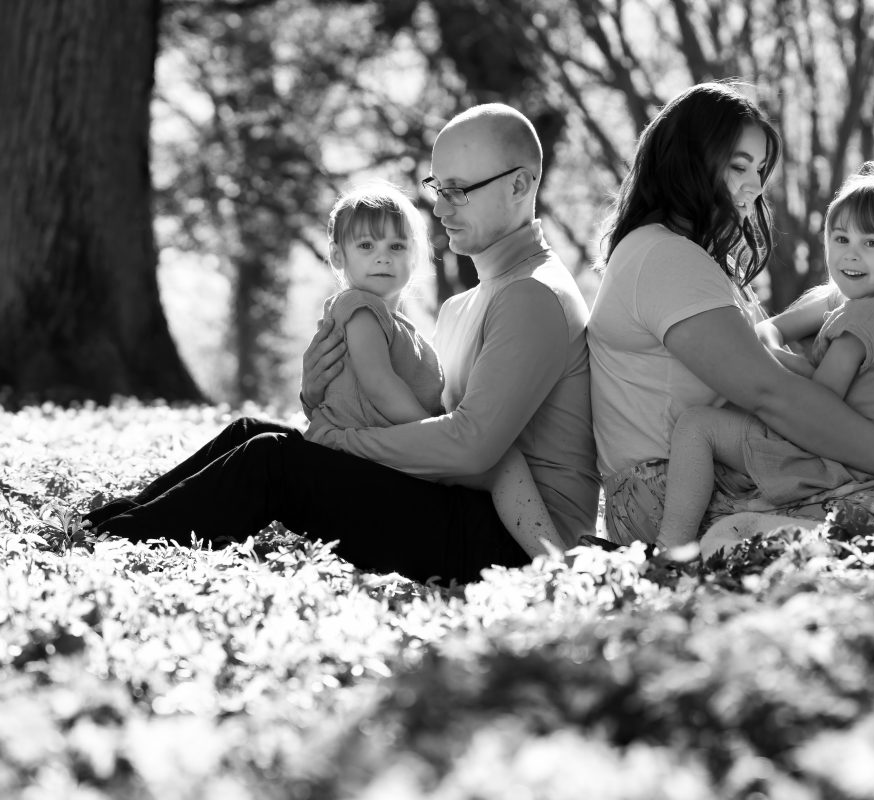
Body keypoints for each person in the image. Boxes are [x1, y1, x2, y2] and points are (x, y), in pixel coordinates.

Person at [86, 104, 599, 584]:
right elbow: (419, 421)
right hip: (459, 500)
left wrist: (341, 443)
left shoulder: (532, 296)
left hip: (510, 543)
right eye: (437, 187)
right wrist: (319, 396)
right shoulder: (467, 303)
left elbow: (470, 448)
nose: (440, 206)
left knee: (273, 461)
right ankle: (121, 518)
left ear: (520, 185)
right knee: (252, 432)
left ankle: (113, 541)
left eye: (459, 190)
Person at [586, 81, 874, 548]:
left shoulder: (689, 257)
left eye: (759, 169)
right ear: (689, 161)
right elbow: (770, 393)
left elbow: (775, 361)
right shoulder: (665, 257)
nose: (755, 187)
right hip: (668, 492)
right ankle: (671, 562)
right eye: (739, 166)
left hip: (726, 468)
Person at [656, 159, 874, 548]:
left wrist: (772, 361)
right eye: (841, 238)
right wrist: (775, 347)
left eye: (871, 243)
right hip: (869, 448)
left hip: (843, 461)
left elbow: (816, 402)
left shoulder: (864, 320)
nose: (850, 255)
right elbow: (771, 328)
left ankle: (669, 546)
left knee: (697, 425)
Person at [302, 179, 561, 557]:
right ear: (338, 257)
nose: (382, 257)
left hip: (375, 444)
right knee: (503, 463)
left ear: (416, 255)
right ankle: (554, 559)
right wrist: (432, 429)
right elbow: (378, 383)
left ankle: (540, 552)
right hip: (356, 449)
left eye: (396, 246)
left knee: (495, 465)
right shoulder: (359, 308)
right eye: (365, 246)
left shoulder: (395, 323)